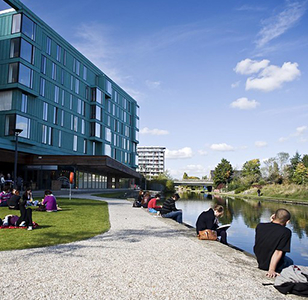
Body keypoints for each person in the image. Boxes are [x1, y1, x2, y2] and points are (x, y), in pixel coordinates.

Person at [254, 208, 293, 278]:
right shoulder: (286, 232)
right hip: (270, 265)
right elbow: (278, 252)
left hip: (260, 260)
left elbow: (271, 231)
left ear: (273, 216)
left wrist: (272, 221)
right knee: (290, 262)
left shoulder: (260, 226)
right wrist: (271, 269)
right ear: (287, 222)